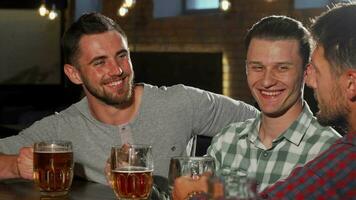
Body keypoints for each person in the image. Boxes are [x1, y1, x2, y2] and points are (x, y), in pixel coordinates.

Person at [0, 13, 258, 188]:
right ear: (74, 74)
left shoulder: (182, 102)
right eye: (100, 62)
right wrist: (14, 166)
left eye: (122, 56)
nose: (117, 70)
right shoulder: (62, 127)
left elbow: (263, 122)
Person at [172, 15, 342, 200]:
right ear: (246, 69)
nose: (267, 81)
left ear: (307, 72)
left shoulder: (330, 151)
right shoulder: (226, 141)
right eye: (257, 67)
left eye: (282, 68)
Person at [260, 3, 356, 199]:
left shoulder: (345, 162)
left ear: (351, 84)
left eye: (318, 71)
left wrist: (193, 194)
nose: (309, 80)